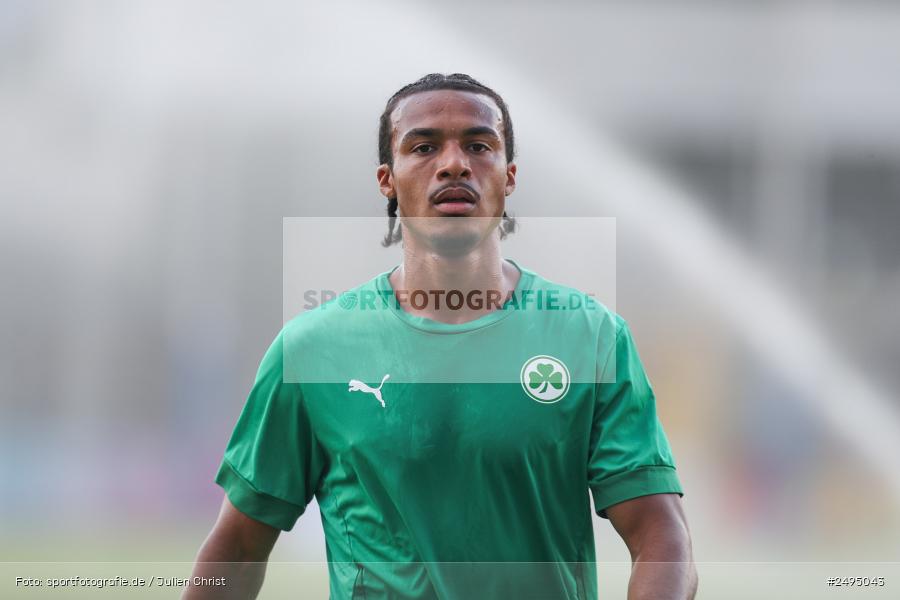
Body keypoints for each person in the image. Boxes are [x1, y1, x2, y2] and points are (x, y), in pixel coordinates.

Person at [184, 73, 697, 600]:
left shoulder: (590, 336)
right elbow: (239, 547)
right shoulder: (312, 349)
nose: (454, 164)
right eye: (424, 146)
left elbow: (661, 534)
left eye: (479, 145)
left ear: (509, 175)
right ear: (387, 178)